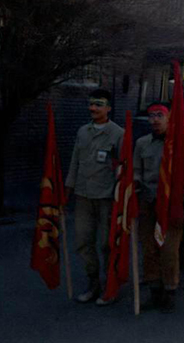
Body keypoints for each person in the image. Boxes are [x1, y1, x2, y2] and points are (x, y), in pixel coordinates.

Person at [65, 89, 124, 304]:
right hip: (83, 194)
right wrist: (68, 188)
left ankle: (110, 285)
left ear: (108, 108)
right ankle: (93, 282)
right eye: (91, 104)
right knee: (83, 240)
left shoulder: (118, 134)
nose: (93, 108)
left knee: (107, 243)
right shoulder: (83, 131)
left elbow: (124, 167)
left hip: (107, 197)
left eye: (98, 104)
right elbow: (75, 161)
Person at [134, 102, 183, 313]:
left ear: (169, 118)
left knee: (169, 250)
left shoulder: (180, 143)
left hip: (171, 204)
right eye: (151, 116)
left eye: (159, 116)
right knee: (149, 248)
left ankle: (170, 291)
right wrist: (132, 185)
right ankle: (154, 290)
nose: (154, 120)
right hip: (148, 201)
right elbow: (136, 171)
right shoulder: (142, 143)